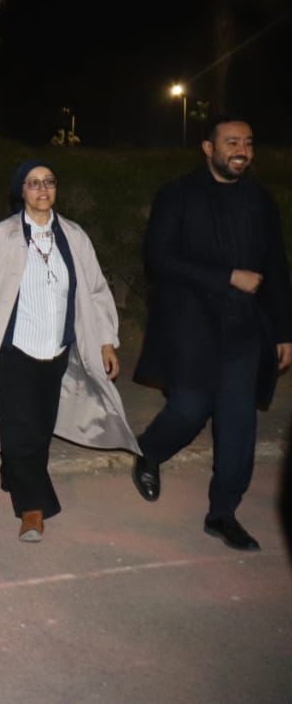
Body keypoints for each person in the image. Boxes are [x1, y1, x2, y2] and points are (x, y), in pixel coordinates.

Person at [0, 161, 139, 541]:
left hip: (57, 349)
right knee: (21, 428)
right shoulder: (0, 236)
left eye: (49, 182)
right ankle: (32, 506)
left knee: (41, 425)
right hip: (12, 349)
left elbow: (96, 290)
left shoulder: (74, 236)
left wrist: (106, 341)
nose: (42, 189)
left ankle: (12, 471)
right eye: (33, 183)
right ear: (21, 191)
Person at [132, 115, 292, 551]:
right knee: (189, 409)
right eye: (232, 142)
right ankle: (148, 451)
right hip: (192, 325)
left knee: (238, 425)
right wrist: (228, 277)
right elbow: (160, 258)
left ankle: (223, 513)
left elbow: (276, 268)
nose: (242, 150)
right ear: (208, 148)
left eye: (248, 142)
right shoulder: (177, 195)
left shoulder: (260, 200)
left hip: (245, 329)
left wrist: (284, 331)